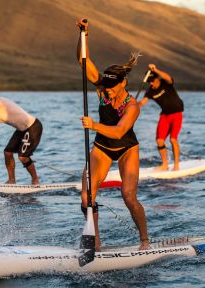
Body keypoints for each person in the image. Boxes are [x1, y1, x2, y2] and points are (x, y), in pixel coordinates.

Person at [76, 19, 150, 251]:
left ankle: (145, 240)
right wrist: (83, 34)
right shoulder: (102, 88)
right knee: (87, 197)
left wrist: (94, 125)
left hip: (126, 148)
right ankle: (95, 242)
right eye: (105, 84)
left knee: (128, 196)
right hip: (102, 148)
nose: (106, 88)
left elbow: (119, 131)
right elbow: (83, 61)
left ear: (123, 83)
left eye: (111, 85)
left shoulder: (132, 106)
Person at [138, 64, 184, 171]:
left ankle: (176, 165)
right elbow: (142, 102)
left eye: (152, 81)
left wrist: (155, 69)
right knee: (159, 141)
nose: (151, 83)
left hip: (176, 114)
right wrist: (132, 106)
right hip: (165, 115)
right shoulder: (150, 91)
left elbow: (168, 77)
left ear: (157, 79)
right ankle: (165, 164)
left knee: (173, 139)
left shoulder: (166, 83)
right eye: (149, 82)